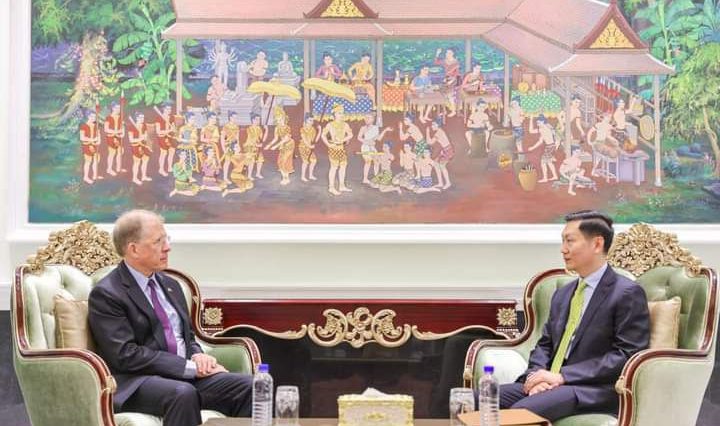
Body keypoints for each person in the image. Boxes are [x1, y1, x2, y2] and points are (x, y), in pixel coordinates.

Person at [88, 210, 253, 426]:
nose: (167, 247)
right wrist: (188, 367)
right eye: (158, 241)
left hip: (181, 376)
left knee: (252, 386)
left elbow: (188, 337)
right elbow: (125, 354)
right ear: (133, 249)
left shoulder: (171, 285)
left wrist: (197, 356)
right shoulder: (108, 293)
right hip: (137, 381)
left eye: (167, 239)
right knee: (182, 393)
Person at [499, 210, 650, 422]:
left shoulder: (626, 293)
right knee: (474, 399)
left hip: (591, 389)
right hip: (553, 383)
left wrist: (563, 376)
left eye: (570, 241)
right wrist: (536, 376)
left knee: (520, 413)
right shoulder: (563, 293)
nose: (563, 249)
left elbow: (626, 354)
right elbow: (545, 344)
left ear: (597, 244)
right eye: (563, 241)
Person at [321, 104, 353, 195]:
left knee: (343, 166)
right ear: (334, 114)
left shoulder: (345, 124)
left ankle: (342, 186)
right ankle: (331, 187)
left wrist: (343, 140)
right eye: (339, 113)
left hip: (341, 149)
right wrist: (328, 144)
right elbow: (323, 135)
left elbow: (350, 135)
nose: (341, 115)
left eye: (342, 113)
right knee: (334, 167)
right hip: (333, 148)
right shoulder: (330, 125)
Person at [80, 110, 102, 184]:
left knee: (96, 160)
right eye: (92, 116)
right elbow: (82, 138)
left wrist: (98, 141)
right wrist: (92, 140)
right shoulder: (84, 126)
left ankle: (94, 175)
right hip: (87, 145)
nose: (93, 118)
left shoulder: (96, 126)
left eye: (94, 117)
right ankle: (86, 177)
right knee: (88, 161)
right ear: (88, 116)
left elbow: (98, 136)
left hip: (95, 145)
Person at [104, 102, 126, 176]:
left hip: (118, 137)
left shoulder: (120, 118)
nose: (118, 109)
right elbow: (106, 129)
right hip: (111, 137)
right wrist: (116, 132)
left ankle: (118, 168)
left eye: (119, 108)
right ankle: (109, 169)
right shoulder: (108, 118)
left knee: (120, 152)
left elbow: (122, 127)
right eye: (117, 108)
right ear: (113, 108)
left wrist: (122, 133)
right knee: (112, 153)